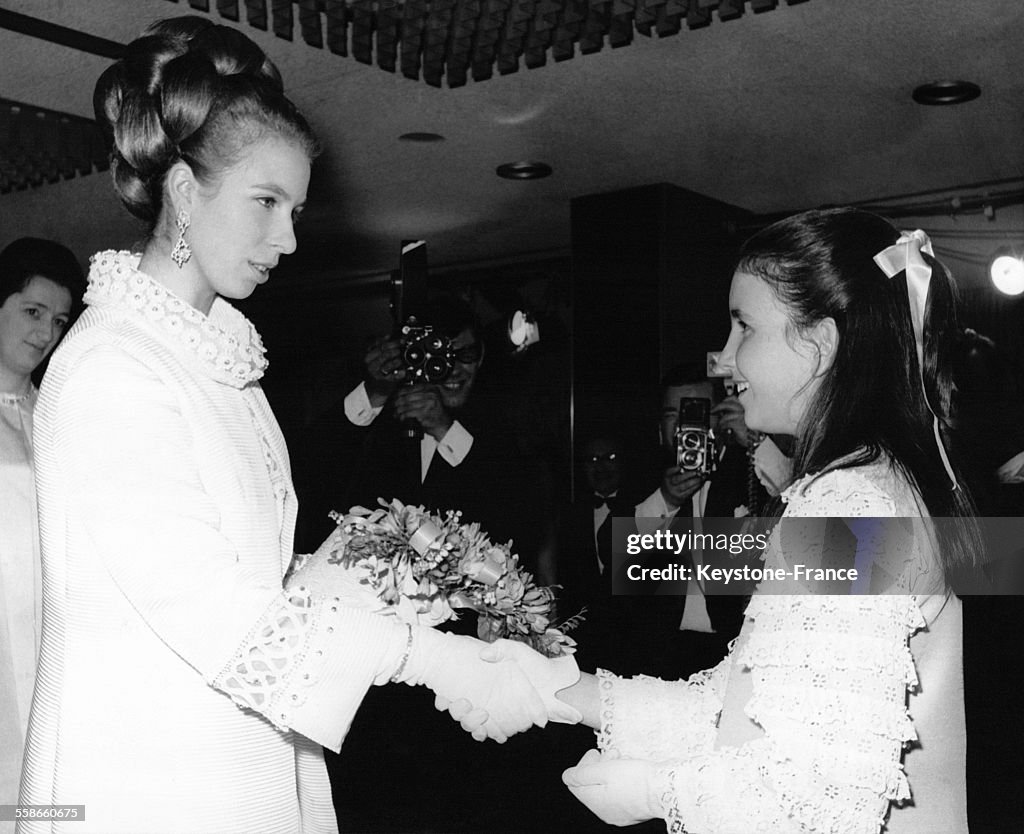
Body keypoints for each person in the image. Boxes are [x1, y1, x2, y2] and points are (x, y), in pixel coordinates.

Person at [19, 17, 578, 834]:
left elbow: (261, 575)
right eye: (266, 202)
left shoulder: (218, 364)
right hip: (151, 771)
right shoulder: (114, 370)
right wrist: (431, 656)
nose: (286, 239)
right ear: (182, 191)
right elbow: (216, 612)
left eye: (297, 208)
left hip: (237, 747)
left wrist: (388, 586)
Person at [493, 208, 982, 833]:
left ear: (820, 344)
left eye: (742, 327)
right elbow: (737, 709)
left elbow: (818, 796)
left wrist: (657, 791)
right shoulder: (859, 484)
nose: (722, 360)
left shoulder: (851, 504)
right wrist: (555, 690)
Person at [0, 238, 83, 827]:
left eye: (58, 320)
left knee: (53, 801)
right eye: (32, 312)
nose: (45, 333)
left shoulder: (56, 413)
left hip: (53, 639)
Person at [633, 362, 767, 676]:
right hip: (662, 654)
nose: (683, 424)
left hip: (738, 651)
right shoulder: (643, 472)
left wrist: (756, 446)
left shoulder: (754, 466)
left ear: (722, 414)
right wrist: (666, 500)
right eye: (671, 414)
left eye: (695, 411)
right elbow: (612, 551)